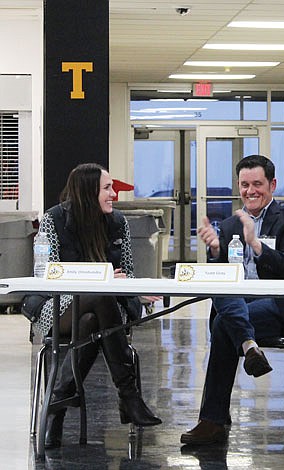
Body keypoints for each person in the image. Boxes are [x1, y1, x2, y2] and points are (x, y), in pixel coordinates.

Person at [22, 163, 162, 449]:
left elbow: (129, 273)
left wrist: (134, 289)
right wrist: (102, 277)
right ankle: (128, 394)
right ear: (87, 192)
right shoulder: (54, 219)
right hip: (59, 305)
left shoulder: (118, 222)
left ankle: (57, 405)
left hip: (104, 313)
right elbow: (48, 273)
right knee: (99, 295)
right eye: (107, 188)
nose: (114, 194)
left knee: (89, 322)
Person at [181, 154, 284, 446]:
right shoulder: (230, 224)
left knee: (223, 324)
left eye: (257, 184)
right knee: (224, 289)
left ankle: (212, 420)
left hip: (280, 304)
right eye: (244, 185)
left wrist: (256, 244)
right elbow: (220, 277)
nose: (250, 191)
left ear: (272, 185)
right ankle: (249, 345)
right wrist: (216, 251)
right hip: (242, 304)